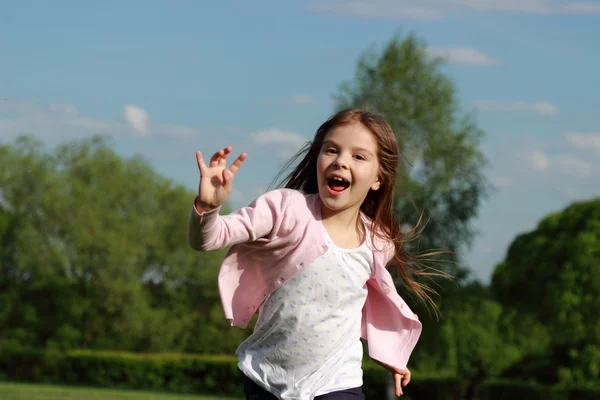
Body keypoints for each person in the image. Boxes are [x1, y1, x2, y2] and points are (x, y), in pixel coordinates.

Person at [188, 108, 441, 400]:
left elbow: (364, 304)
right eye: (332, 150)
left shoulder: (379, 243)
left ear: (378, 179)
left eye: (358, 156)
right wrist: (207, 208)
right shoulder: (286, 209)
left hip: (337, 384)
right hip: (268, 379)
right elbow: (209, 239)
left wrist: (391, 354)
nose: (341, 161)